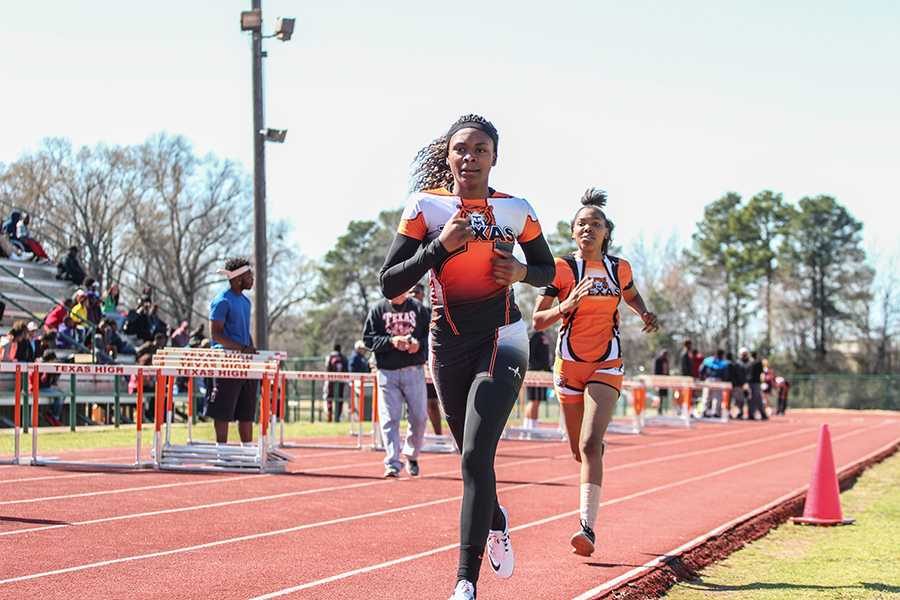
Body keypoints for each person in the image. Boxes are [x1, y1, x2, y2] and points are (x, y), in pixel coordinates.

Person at [379, 114, 554, 599]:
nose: (470, 157)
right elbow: (391, 282)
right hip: (446, 344)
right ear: (449, 155)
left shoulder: (516, 210)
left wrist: (520, 271)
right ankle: (494, 517)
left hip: (503, 337)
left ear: (494, 157)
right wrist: (439, 247)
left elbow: (547, 270)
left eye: (480, 149)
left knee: (478, 454)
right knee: (470, 461)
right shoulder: (425, 207)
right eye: (462, 149)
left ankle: (464, 583)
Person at [533, 188, 658, 559]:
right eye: (581, 224)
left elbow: (631, 294)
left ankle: (587, 528)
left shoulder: (619, 268)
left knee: (589, 445)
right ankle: (592, 453)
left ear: (607, 232)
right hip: (568, 366)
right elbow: (537, 320)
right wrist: (566, 304)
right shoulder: (561, 269)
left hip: (607, 362)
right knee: (579, 449)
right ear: (573, 232)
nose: (588, 228)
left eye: (596, 224)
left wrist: (644, 312)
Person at [363, 291, 430, 477]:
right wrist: (391, 341)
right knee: (389, 418)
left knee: (419, 417)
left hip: (414, 369)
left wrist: (419, 345)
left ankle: (412, 454)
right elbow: (368, 340)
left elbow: (431, 335)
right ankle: (392, 462)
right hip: (387, 372)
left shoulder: (418, 308)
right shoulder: (377, 310)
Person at [206, 257, 258, 444]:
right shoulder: (222, 301)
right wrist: (242, 348)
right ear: (237, 278)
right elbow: (216, 335)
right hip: (226, 362)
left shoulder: (245, 302)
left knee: (247, 411)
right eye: (249, 275)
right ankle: (222, 451)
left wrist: (250, 348)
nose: (252, 279)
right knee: (223, 410)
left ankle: (248, 452)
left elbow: (243, 332)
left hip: (245, 362)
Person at [407, 283, 444, 436]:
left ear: (423, 295)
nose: (414, 295)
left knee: (432, 403)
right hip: (407, 364)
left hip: (427, 363)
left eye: (417, 292)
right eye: (411, 292)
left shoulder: (430, 313)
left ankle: (439, 436)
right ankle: (415, 439)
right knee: (412, 405)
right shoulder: (401, 313)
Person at [525, 329, 552, 428]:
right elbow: (529, 353)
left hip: (543, 373)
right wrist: (538, 367)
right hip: (536, 373)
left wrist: (548, 370)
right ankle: (532, 428)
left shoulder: (543, 334)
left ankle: (528, 427)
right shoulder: (534, 335)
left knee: (536, 401)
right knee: (534, 400)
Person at [323, 344, 349, 422]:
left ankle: (329, 415)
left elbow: (327, 368)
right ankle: (338, 416)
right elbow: (346, 369)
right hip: (341, 381)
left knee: (329, 397)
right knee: (340, 398)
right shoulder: (343, 358)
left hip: (331, 380)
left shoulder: (329, 357)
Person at [747, 351, 768, 420]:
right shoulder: (758, 363)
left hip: (750, 383)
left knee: (751, 399)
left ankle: (751, 414)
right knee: (757, 398)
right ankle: (762, 414)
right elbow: (762, 372)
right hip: (756, 383)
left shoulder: (749, 363)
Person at [653, 349, 670, 414]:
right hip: (659, 380)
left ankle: (663, 409)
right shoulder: (658, 360)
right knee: (658, 395)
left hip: (665, 380)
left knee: (663, 395)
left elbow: (667, 370)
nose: (665, 356)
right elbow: (655, 371)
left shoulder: (666, 361)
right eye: (664, 354)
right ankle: (658, 409)